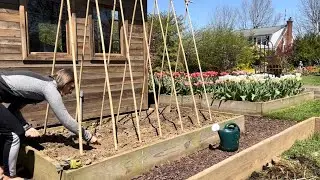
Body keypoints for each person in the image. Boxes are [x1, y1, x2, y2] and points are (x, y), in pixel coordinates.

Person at [0, 69, 99, 180]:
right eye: (71, 88)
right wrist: (88, 136)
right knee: (15, 134)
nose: (71, 92)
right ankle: (9, 176)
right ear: (65, 83)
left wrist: (26, 126)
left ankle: (3, 168)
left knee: (8, 130)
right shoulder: (49, 88)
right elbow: (66, 120)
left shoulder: (38, 87)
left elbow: (13, 109)